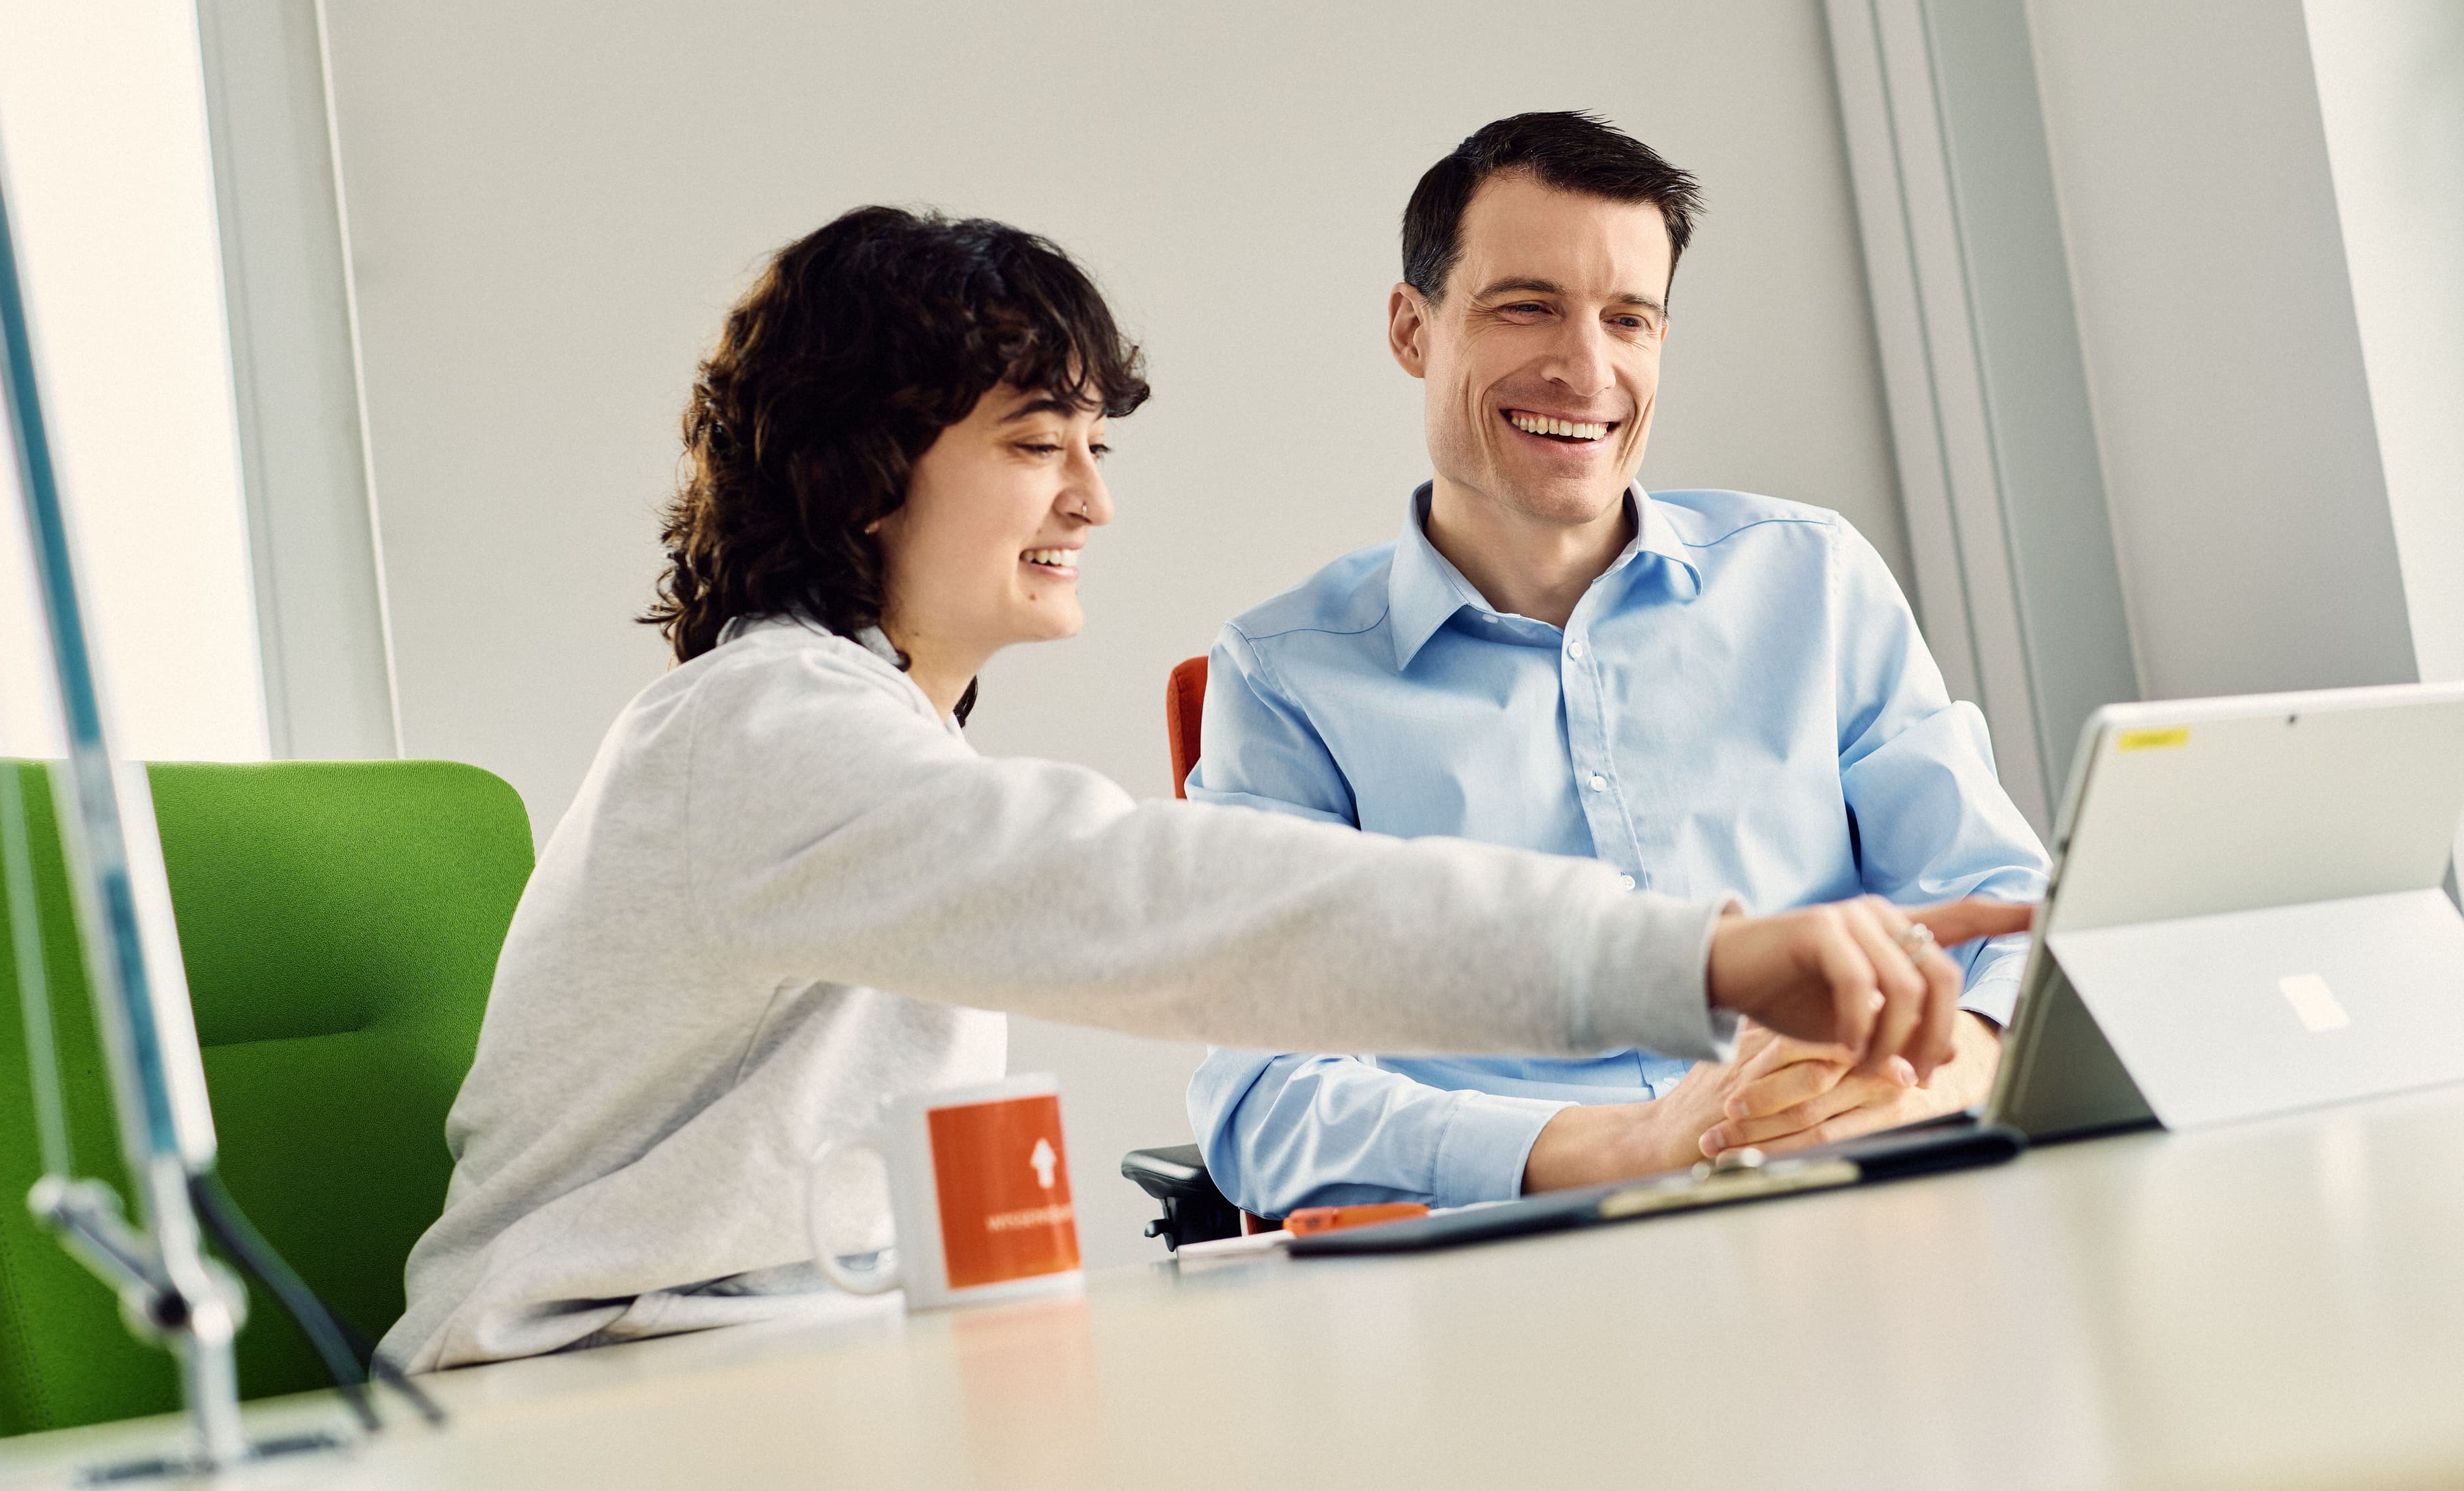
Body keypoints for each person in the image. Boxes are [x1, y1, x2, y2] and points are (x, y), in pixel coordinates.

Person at [382, 204, 2026, 1370]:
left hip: (792, 1362)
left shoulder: (871, 729)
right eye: (1039, 444)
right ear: (866, 463)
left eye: (1099, 446)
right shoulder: (760, 734)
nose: (1093, 500)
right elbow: (1176, 904)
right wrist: (1703, 958)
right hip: (587, 1390)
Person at [1187, 114, 2051, 1219]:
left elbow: (2004, 906)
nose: (1585, 369)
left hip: (1861, 1200)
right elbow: (1264, 1095)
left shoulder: (1812, 580)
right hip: (1531, 1260)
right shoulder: (1286, 676)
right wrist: (1623, 1145)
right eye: (1526, 306)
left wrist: (1966, 1064)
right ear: (1413, 329)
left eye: (1628, 319)